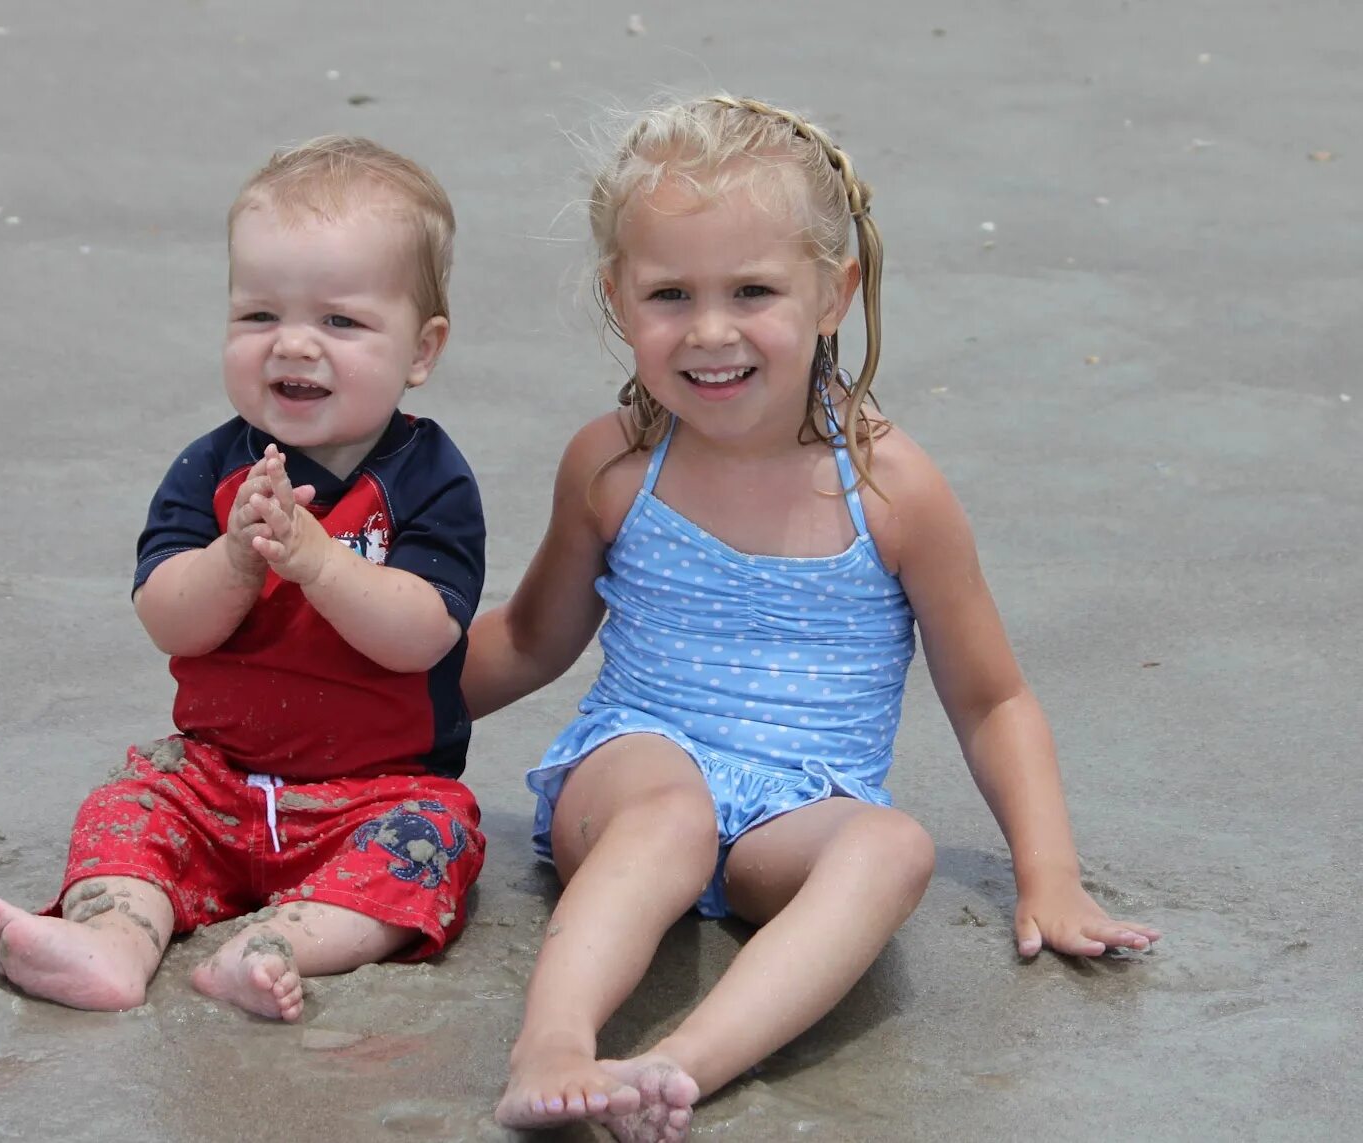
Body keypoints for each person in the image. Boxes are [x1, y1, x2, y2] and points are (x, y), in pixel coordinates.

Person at [462, 94, 1161, 1140]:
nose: (709, 332)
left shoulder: (891, 489)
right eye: (668, 294)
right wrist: (357, 691)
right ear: (617, 296)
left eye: (751, 290)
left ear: (833, 293)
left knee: (891, 847)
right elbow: (528, 639)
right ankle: (553, 1043)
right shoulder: (614, 464)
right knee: (669, 810)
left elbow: (992, 697)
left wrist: (1048, 876)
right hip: (634, 770)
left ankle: (678, 1067)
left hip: (796, 811)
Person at [0, 136, 486, 1023]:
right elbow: (168, 620)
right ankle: (115, 939)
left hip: (376, 786)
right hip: (216, 778)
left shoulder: (430, 478)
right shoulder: (210, 469)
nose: (294, 344)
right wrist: (233, 560)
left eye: (341, 322)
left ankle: (280, 943)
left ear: (421, 349)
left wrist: (318, 562)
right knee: (128, 805)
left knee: (434, 841)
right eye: (259, 316)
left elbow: (424, 634)